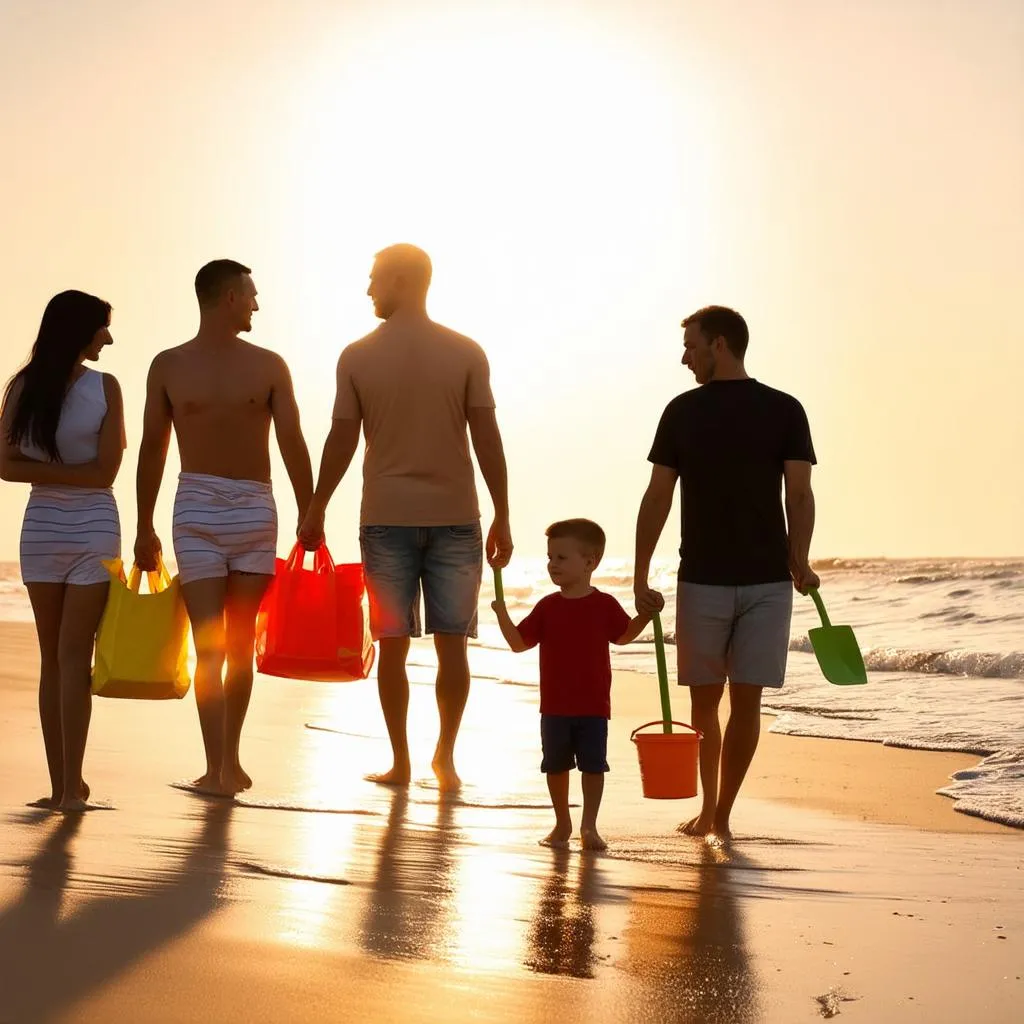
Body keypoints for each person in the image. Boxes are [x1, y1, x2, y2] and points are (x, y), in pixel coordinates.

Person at [298, 244, 513, 792]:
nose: (368, 290)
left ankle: (402, 762)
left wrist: (318, 506)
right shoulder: (466, 351)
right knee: (451, 647)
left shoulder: (357, 355)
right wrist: (503, 513)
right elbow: (486, 438)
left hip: (388, 521)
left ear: (400, 280)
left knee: (391, 645)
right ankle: (444, 757)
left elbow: (341, 439)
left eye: (374, 280)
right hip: (455, 518)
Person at [632, 306, 818, 839]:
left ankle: (723, 813)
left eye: (690, 345)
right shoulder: (682, 411)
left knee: (746, 700)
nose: (684, 356)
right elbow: (658, 496)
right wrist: (642, 574)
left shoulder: (784, 409)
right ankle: (710, 807)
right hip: (701, 578)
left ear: (718, 344)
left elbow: (799, 494)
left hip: (766, 581)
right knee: (705, 700)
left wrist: (799, 558)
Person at [134, 260, 313, 796]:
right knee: (207, 646)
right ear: (230, 296)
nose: (257, 305)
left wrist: (311, 510)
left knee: (239, 645)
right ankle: (214, 768)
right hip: (196, 510)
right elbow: (152, 448)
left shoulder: (270, 365)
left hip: (256, 510)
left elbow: (292, 441)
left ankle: (230, 761)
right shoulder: (167, 365)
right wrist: (144, 524)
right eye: (252, 295)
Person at [0, 291, 126, 812]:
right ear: (79, 330)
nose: (109, 338)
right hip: (64, 528)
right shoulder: (30, 387)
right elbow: (5, 466)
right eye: (103, 328)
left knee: (65, 660)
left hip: (71, 527)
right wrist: (77, 477)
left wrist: (55, 476)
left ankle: (67, 785)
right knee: (64, 659)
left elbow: (105, 472)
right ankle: (66, 786)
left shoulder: (89, 387)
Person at [492, 519, 654, 850]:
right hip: (554, 707)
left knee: (593, 767)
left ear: (590, 562)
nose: (553, 565)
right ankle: (562, 823)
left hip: (593, 706)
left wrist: (646, 617)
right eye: (550, 557)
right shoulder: (547, 607)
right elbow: (519, 643)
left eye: (561, 558)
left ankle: (589, 826)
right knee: (555, 766)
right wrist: (501, 613)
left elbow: (623, 636)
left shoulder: (604, 604)